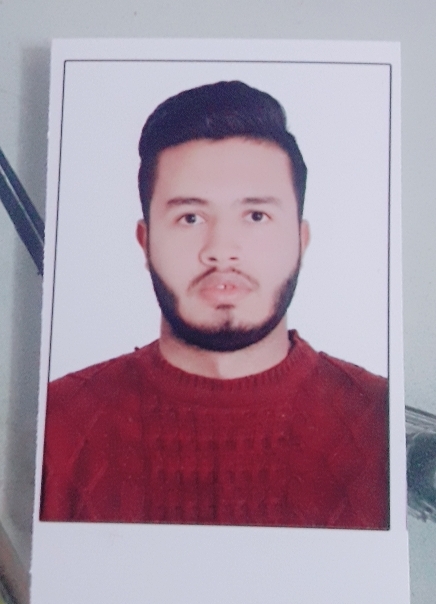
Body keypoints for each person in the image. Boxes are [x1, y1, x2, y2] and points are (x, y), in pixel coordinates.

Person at [40, 81, 389, 529]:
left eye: (256, 216)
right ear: (146, 242)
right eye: (190, 217)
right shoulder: (54, 423)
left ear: (300, 241)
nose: (222, 251)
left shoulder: (384, 424)